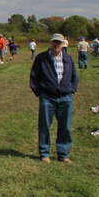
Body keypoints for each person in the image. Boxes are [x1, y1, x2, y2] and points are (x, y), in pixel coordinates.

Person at [30, 33, 79, 163]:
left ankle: (63, 154)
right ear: (50, 43)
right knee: (45, 126)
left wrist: (72, 90)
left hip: (65, 98)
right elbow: (34, 77)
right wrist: (39, 93)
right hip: (47, 97)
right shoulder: (41, 58)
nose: (57, 45)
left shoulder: (68, 58)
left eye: (59, 42)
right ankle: (44, 153)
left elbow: (75, 76)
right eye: (55, 42)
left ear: (63, 44)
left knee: (66, 127)